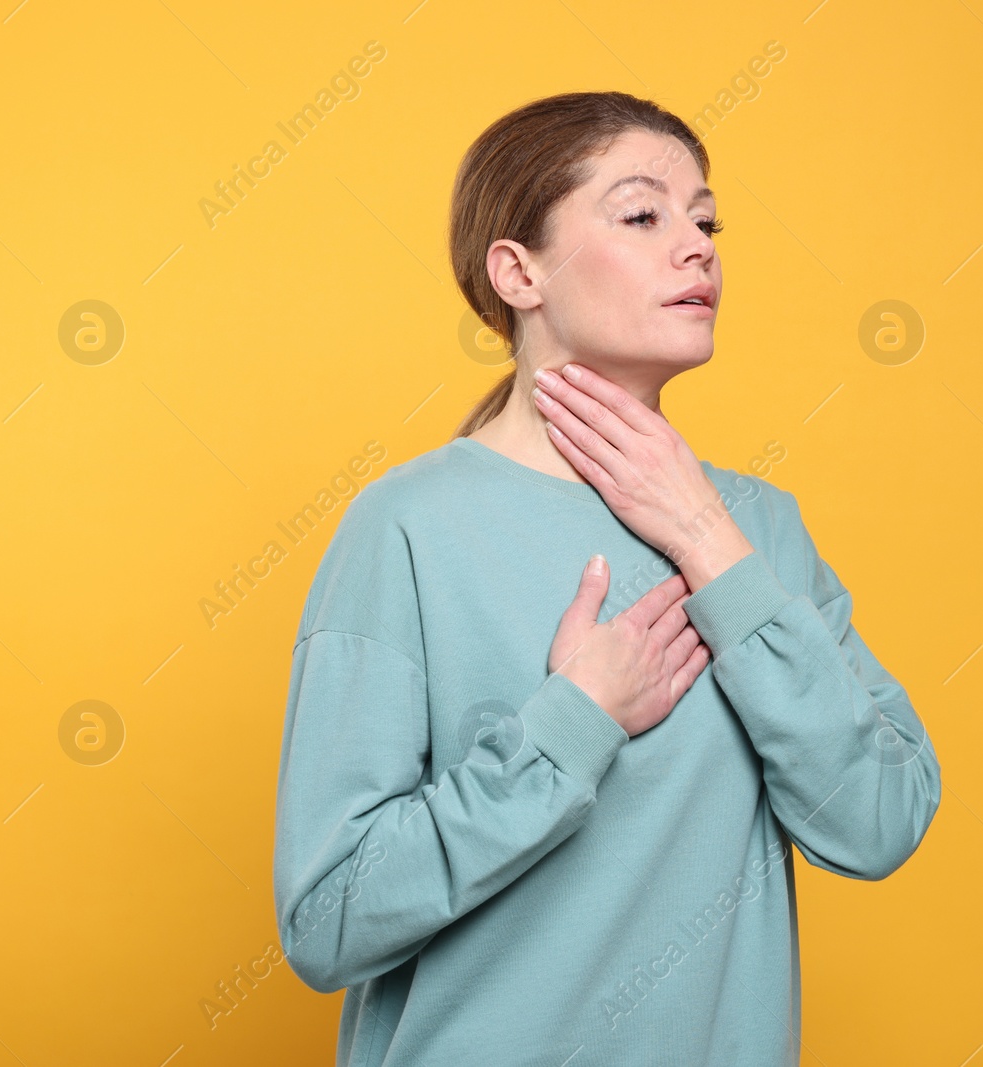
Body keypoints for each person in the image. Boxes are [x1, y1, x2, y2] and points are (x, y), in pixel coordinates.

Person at [271, 90, 941, 1066]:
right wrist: (574, 718)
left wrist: (708, 541)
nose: (698, 246)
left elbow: (879, 820)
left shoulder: (758, 529)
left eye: (706, 220)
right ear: (518, 271)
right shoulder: (408, 528)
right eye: (642, 214)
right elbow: (327, 918)